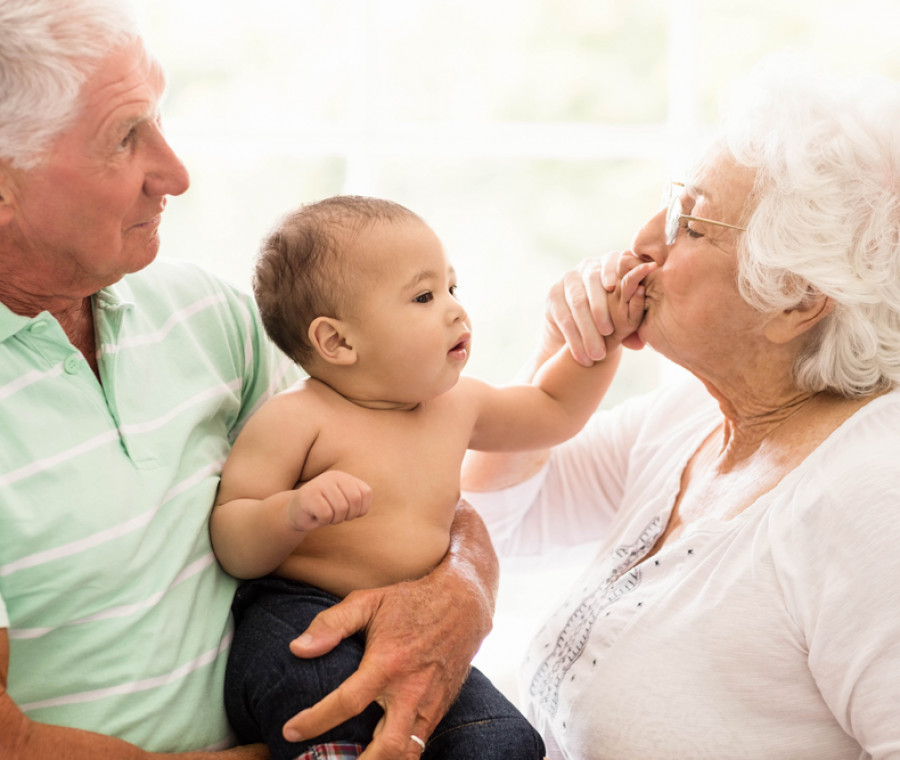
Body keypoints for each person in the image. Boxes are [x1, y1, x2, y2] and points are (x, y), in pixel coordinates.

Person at [0, 2, 503, 759]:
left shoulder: (207, 315)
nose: (175, 173)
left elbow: (400, 477)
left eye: (159, 119)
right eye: (124, 138)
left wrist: (462, 590)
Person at [461, 55, 900, 760]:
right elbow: (498, 519)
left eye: (691, 225)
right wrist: (557, 362)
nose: (640, 241)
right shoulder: (694, 418)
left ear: (795, 299)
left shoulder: (873, 499)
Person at [210, 195, 650, 759]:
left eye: (451, 288)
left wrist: (602, 343)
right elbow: (233, 542)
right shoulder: (295, 419)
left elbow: (551, 410)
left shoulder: (456, 403)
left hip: (422, 621)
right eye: (423, 296)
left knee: (504, 739)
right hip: (300, 611)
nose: (454, 311)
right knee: (317, 695)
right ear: (338, 342)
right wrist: (291, 512)